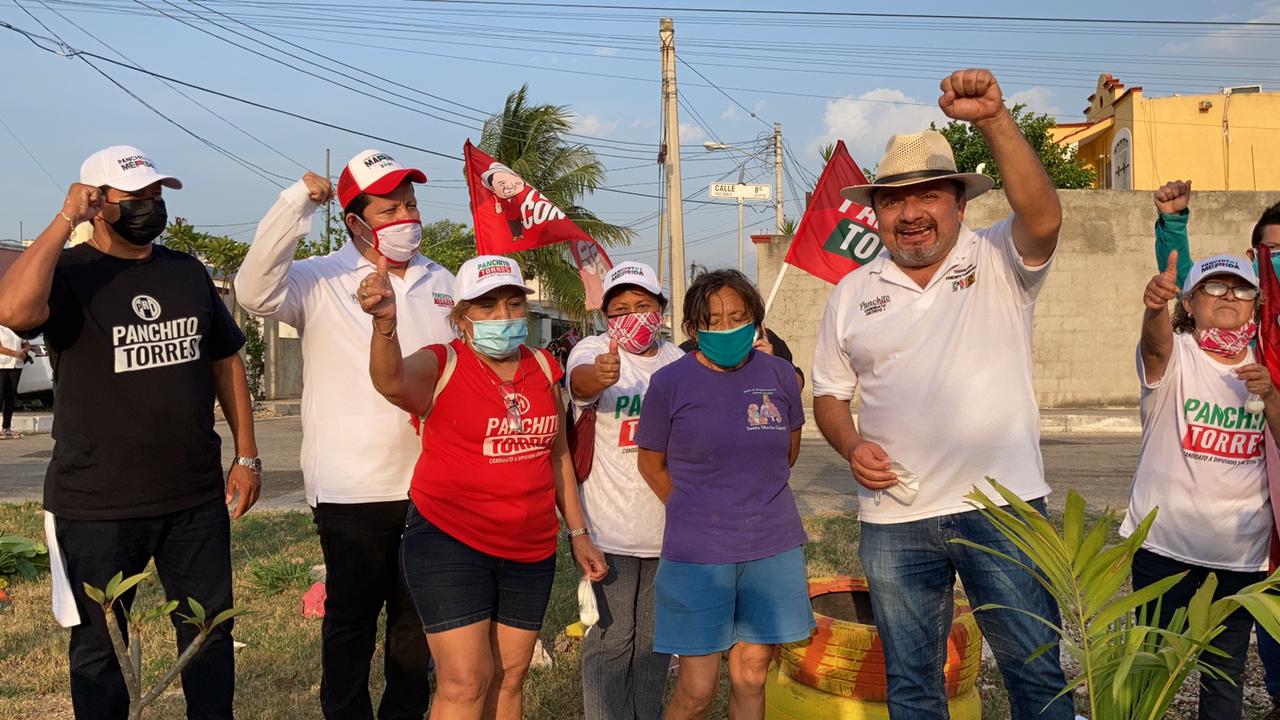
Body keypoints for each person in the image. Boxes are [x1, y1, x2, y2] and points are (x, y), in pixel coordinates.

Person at [811, 69, 1072, 719]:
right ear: (876, 212)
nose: (913, 212)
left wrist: (993, 120)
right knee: (913, 686)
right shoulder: (851, 294)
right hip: (896, 520)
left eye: (930, 194)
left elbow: (1043, 216)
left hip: (1004, 510)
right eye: (896, 200)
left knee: (1037, 677)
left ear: (960, 203)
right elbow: (829, 395)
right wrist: (849, 445)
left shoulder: (997, 260)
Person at [0, 145, 260, 720]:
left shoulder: (185, 272)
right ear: (98, 203)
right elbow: (14, 313)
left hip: (192, 498)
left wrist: (248, 454)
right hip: (96, 503)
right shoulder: (68, 276)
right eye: (135, 197)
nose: (151, 206)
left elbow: (225, 361)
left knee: (207, 634)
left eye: (157, 195)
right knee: (99, 648)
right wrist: (66, 218)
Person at [236, 149, 451, 720]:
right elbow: (253, 291)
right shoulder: (317, 279)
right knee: (352, 622)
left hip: (432, 486)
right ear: (355, 221)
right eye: (389, 209)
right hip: (351, 488)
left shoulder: (444, 282)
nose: (406, 217)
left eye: (410, 204)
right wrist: (295, 203)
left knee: (415, 626)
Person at [363, 253, 607, 720]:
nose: (504, 317)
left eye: (514, 304)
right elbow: (390, 381)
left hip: (530, 548)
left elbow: (556, 456)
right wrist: (385, 326)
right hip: (450, 541)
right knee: (465, 681)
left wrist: (578, 534)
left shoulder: (542, 367)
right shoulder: (443, 362)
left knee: (509, 677)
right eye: (487, 306)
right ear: (461, 317)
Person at [636, 269, 812, 720]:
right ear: (693, 329)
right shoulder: (670, 383)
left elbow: (785, 455)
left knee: (752, 676)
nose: (727, 328)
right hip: (697, 552)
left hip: (771, 547)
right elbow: (651, 464)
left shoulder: (781, 376)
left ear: (756, 321)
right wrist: (692, 508)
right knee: (697, 689)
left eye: (738, 316)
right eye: (713, 320)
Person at [1148, 181, 1280, 713]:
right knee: (1146, 674)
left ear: (1257, 299)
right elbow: (1166, 315)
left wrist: (1269, 394)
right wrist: (1173, 229)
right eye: (1275, 253)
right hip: (1167, 547)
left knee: (1223, 680)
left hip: (1243, 550)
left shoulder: (1266, 352)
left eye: (1241, 290)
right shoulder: (1182, 354)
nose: (1230, 297)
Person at [566, 261, 684, 720]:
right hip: (609, 529)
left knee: (655, 639)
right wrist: (600, 375)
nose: (633, 316)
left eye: (643, 305)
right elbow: (581, 383)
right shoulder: (594, 350)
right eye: (620, 309)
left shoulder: (678, 361)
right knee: (613, 639)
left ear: (661, 309)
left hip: (669, 529)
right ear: (606, 318)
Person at [0, 324, 29, 438]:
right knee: (0, 394)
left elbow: (26, 343)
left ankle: (6, 427)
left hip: (16, 364)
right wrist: (15, 353)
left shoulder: (18, 327)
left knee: (10, 396)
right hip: (1, 364)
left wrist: (25, 350)